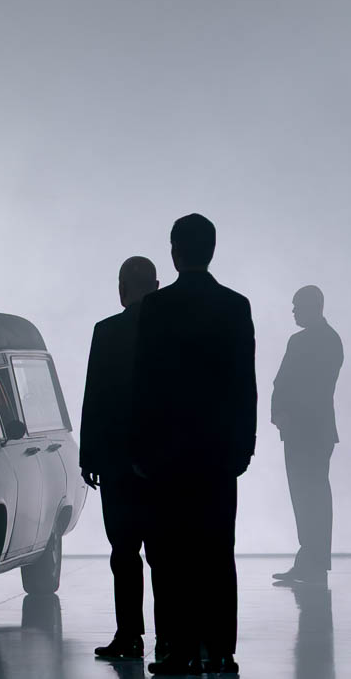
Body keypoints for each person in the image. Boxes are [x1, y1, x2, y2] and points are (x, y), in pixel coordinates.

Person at [130, 214, 256, 677]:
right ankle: (220, 649)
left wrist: (141, 448)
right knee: (218, 551)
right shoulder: (235, 305)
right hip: (219, 453)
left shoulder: (157, 306)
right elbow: (245, 382)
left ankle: (178, 649)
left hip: (167, 454)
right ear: (212, 250)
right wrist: (244, 445)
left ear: (175, 252)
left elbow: (144, 383)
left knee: (171, 555)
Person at [80, 255, 162, 661]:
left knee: (124, 552)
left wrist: (88, 456)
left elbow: (94, 396)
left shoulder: (107, 331)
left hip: (115, 461)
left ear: (122, 289)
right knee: (165, 554)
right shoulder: (172, 331)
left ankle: (129, 635)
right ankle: (171, 637)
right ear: (157, 286)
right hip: (165, 463)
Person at [271, 285, 344, 585]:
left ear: (312, 306)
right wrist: (280, 413)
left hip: (309, 430)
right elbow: (283, 381)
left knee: (311, 496)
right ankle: (311, 559)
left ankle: (314, 561)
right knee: (305, 496)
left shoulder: (324, 340)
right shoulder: (314, 339)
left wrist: (283, 412)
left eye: (297, 305)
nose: (293, 311)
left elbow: (304, 384)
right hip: (303, 429)